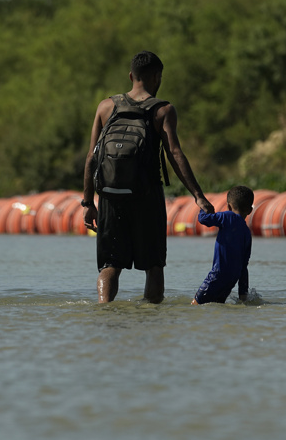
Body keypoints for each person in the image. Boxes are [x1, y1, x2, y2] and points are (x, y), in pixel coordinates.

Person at [82, 51, 214, 303]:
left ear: (131, 76)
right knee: (153, 265)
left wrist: (88, 203)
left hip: (109, 196)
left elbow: (91, 158)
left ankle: (104, 310)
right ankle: (151, 317)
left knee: (110, 265)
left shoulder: (105, 106)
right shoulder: (163, 110)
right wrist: (198, 195)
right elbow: (175, 154)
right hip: (146, 197)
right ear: (157, 77)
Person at [192, 186, 254, 305]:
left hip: (217, 275)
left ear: (228, 206)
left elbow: (204, 219)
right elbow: (244, 266)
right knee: (218, 306)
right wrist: (243, 295)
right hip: (232, 279)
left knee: (195, 305)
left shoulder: (227, 216)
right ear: (250, 210)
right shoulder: (247, 232)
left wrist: (203, 207)